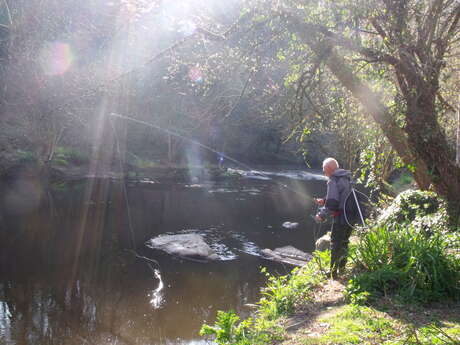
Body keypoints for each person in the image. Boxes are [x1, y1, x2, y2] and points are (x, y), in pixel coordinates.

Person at [314, 158, 353, 279]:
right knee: (345, 242)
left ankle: (332, 273)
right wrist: (324, 200)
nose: (323, 172)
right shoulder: (346, 177)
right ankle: (342, 268)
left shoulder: (332, 180)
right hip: (351, 216)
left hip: (341, 217)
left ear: (329, 169)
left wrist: (321, 215)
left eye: (324, 170)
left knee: (335, 243)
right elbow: (341, 195)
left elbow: (333, 204)